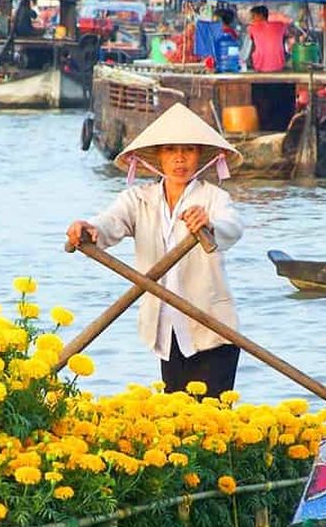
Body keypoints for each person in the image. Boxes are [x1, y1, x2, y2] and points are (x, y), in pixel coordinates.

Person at [66, 103, 244, 398]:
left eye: (188, 150)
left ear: (199, 155)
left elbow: (233, 227)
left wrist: (209, 225)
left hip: (213, 329)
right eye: (171, 150)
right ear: (159, 156)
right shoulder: (138, 199)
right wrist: (90, 229)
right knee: (174, 413)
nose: (179, 159)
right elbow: (110, 221)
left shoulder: (213, 198)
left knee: (213, 417)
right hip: (167, 329)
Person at [247, 5, 286, 72]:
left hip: (259, 66)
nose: (252, 19)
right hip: (279, 65)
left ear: (261, 16)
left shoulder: (252, 28)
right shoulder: (281, 25)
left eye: (253, 16)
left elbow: (253, 46)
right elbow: (283, 40)